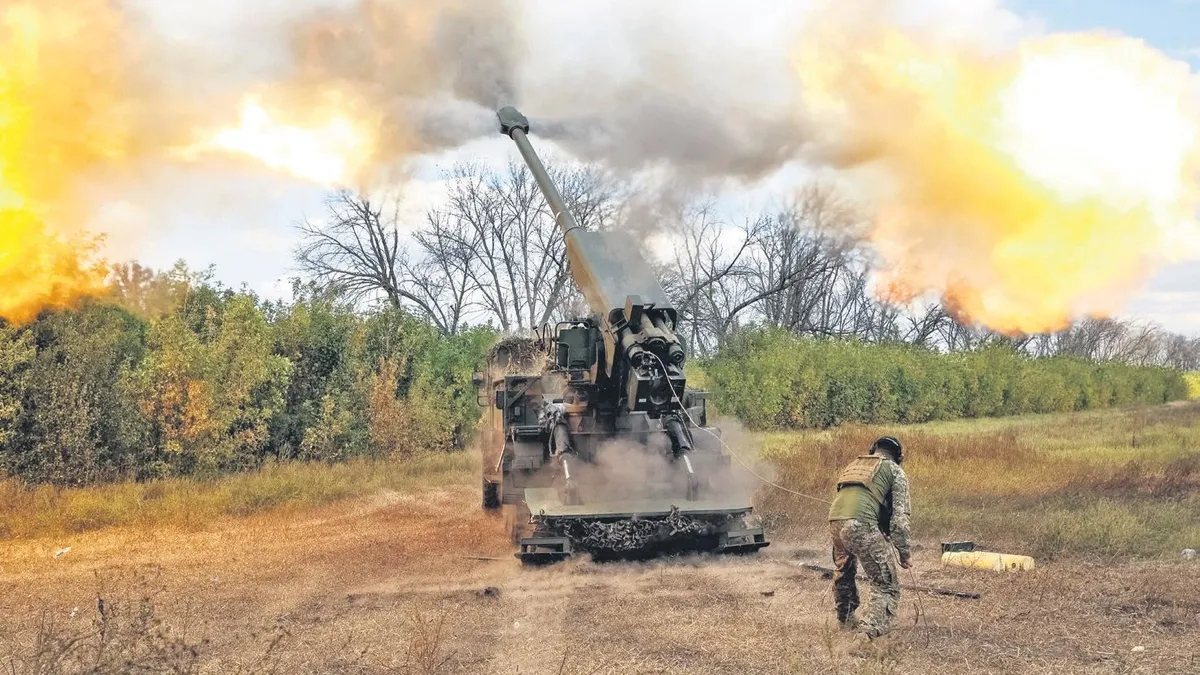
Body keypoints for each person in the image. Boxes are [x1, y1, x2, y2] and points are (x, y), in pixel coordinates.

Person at [827, 436, 912, 639]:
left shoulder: (854, 465)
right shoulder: (895, 470)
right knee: (885, 584)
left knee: (844, 572)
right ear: (898, 456)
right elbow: (899, 519)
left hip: (835, 520)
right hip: (860, 523)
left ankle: (845, 620)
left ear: (873, 450)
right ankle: (867, 635)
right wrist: (904, 553)